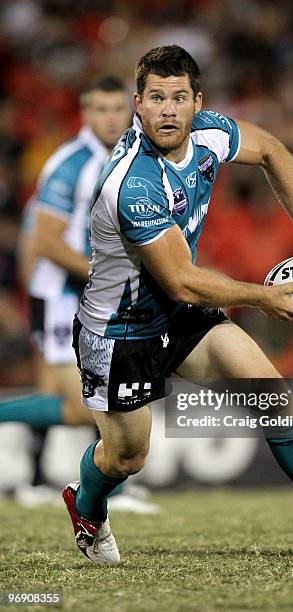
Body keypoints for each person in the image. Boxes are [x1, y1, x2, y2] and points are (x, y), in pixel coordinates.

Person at [62, 46, 293, 565]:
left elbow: (273, 152)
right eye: (156, 98)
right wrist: (263, 297)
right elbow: (181, 282)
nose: (168, 110)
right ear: (138, 105)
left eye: (178, 98)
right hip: (121, 331)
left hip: (180, 317)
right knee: (127, 457)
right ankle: (85, 505)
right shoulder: (133, 183)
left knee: (270, 396)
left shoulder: (211, 133)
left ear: (198, 101)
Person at [1, 76, 158, 513]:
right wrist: (102, 273)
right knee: (80, 406)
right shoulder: (70, 163)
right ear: (85, 113)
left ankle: (106, 488)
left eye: (117, 109)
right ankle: (112, 490)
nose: (110, 118)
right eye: (100, 109)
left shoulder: (127, 156)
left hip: (87, 295)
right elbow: (47, 241)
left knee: (82, 396)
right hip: (59, 295)